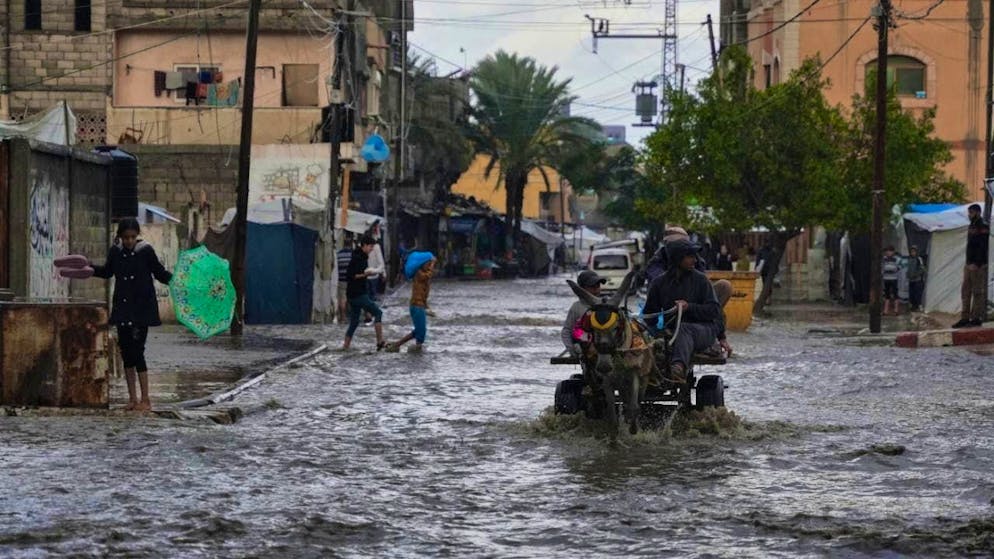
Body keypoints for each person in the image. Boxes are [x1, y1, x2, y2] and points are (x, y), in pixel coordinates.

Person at [90, 218, 172, 412]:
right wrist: (89, 269)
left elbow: (160, 273)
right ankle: (133, 399)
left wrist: (179, 281)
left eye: (132, 237)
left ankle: (146, 399)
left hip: (141, 309)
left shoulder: (146, 252)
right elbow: (107, 272)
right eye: (125, 237)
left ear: (137, 236)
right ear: (120, 236)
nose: (129, 241)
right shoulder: (115, 252)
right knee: (126, 353)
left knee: (138, 352)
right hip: (123, 308)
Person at [643, 239, 722, 384]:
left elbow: (714, 311)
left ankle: (678, 367)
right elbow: (649, 316)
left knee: (684, 328)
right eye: (690, 256)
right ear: (677, 258)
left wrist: (689, 307)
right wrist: (651, 333)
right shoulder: (659, 283)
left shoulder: (701, 280)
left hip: (704, 331)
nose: (695, 260)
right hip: (673, 331)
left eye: (694, 256)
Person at [342, 235, 386, 350]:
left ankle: (345, 347)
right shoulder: (357, 258)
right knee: (378, 313)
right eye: (371, 246)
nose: (372, 249)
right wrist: (366, 274)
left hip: (353, 294)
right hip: (358, 294)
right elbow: (351, 276)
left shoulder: (361, 256)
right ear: (365, 245)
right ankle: (380, 342)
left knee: (354, 322)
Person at [387, 256, 436, 353]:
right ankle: (406, 347)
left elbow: (424, 294)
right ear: (422, 264)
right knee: (420, 332)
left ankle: (398, 346)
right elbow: (426, 276)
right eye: (428, 264)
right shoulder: (418, 273)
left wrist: (427, 308)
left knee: (418, 331)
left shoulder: (424, 274)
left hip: (420, 305)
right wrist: (433, 265)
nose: (429, 266)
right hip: (416, 306)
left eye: (430, 264)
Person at [953, 204, 990, 328]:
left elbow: (982, 246)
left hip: (978, 265)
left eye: (972, 213)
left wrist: (977, 263)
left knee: (977, 292)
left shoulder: (983, 225)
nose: (969, 215)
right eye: (969, 213)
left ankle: (975, 318)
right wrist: (968, 262)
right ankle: (964, 318)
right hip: (969, 264)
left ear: (978, 213)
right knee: (965, 291)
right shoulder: (971, 225)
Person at [561, 270, 606, 356]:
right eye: (592, 286)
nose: (596, 289)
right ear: (581, 289)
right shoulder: (577, 307)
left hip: (606, 346)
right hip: (586, 350)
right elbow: (566, 331)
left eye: (598, 285)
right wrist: (571, 349)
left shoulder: (606, 305)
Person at [336, 237, 354, 325]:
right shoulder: (353, 254)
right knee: (352, 298)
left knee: (342, 299)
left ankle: (343, 318)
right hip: (352, 280)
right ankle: (353, 316)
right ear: (351, 245)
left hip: (341, 280)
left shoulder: (338, 254)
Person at [906, 245, 926, 312]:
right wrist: (908, 274)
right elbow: (908, 268)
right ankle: (913, 306)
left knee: (917, 294)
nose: (913, 253)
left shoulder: (919, 259)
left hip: (917, 280)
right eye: (911, 251)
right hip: (911, 280)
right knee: (911, 294)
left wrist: (916, 274)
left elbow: (922, 269)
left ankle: (919, 306)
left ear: (916, 252)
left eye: (914, 251)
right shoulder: (909, 259)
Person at [882, 245, 900, 315]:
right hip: (886, 278)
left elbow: (898, 267)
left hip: (894, 278)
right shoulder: (884, 258)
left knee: (895, 294)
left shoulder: (896, 259)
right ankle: (885, 311)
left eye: (890, 251)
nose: (888, 252)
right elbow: (882, 267)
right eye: (887, 251)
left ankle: (896, 310)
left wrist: (892, 269)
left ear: (893, 252)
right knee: (887, 294)